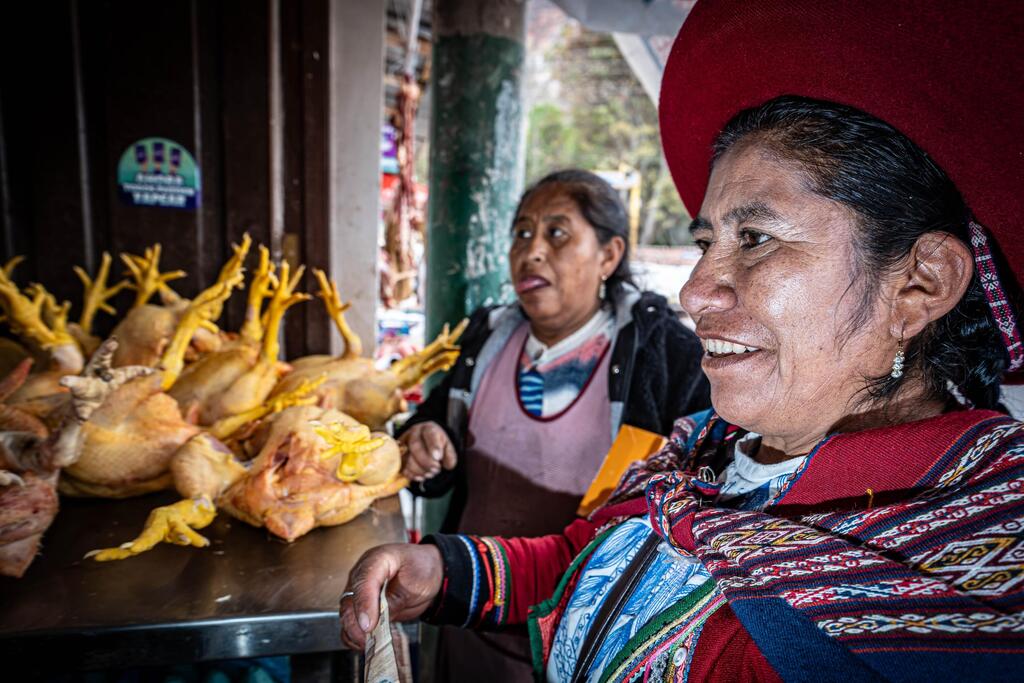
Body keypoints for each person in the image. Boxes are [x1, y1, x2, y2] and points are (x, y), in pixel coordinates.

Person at [342, 2, 1024, 681]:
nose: (696, 291)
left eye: (755, 238)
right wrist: (444, 572)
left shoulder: (970, 567)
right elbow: (590, 557)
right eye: (706, 243)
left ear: (921, 283)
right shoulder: (701, 449)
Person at [399, 169, 711, 679]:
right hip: (470, 615)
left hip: (583, 644)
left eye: (557, 233)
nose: (532, 251)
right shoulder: (486, 339)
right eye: (522, 233)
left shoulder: (664, 356)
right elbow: (431, 434)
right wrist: (424, 443)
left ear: (608, 255)